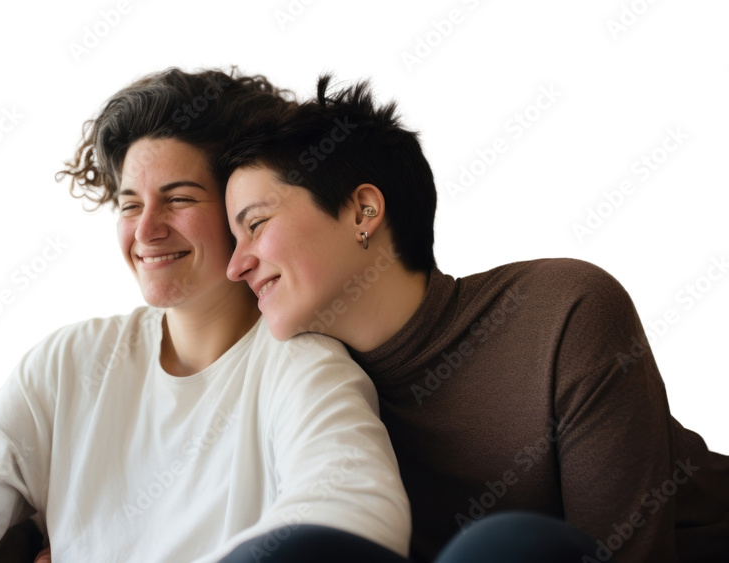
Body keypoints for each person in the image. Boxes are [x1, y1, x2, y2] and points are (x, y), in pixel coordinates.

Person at [0, 69, 412, 562]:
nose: (146, 231)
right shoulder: (66, 365)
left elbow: (351, 516)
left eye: (179, 199)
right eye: (129, 205)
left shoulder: (302, 367)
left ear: (237, 208)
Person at [221, 75, 729, 562]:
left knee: (506, 544)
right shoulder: (308, 388)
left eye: (257, 225)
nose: (235, 265)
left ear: (364, 212)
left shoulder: (562, 314)